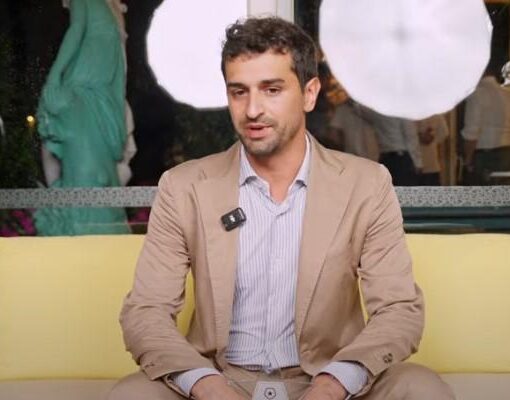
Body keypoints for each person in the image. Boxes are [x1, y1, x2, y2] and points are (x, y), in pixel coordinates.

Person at [110, 17, 454, 400]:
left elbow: (398, 309)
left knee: (421, 389)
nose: (252, 110)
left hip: (325, 377)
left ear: (309, 94)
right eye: (239, 92)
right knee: (132, 395)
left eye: (272, 90)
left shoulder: (365, 184)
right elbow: (146, 311)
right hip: (221, 377)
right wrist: (207, 386)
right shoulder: (184, 188)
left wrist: (333, 385)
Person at [34, 0, 130, 235]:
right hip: (100, 85)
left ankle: (65, 209)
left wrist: (54, 76)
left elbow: (76, 29)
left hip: (87, 80)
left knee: (54, 108)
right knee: (91, 161)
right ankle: (66, 205)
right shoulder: (105, 9)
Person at [461, 72, 510, 185]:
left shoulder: (477, 94)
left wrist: (467, 161)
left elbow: (472, 133)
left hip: (485, 156)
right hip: (507, 152)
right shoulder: (507, 93)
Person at [357, 106, 422, 186]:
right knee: (404, 189)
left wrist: (351, 102)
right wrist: (417, 162)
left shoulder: (377, 111)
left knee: (387, 189)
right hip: (401, 158)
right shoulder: (402, 111)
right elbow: (411, 137)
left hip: (385, 157)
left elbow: (361, 111)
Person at [416, 114, 449, 186]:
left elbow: (444, 132)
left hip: (413, 163)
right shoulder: (435, 113)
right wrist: (433, 141)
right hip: (431, 162)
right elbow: (444, 132)